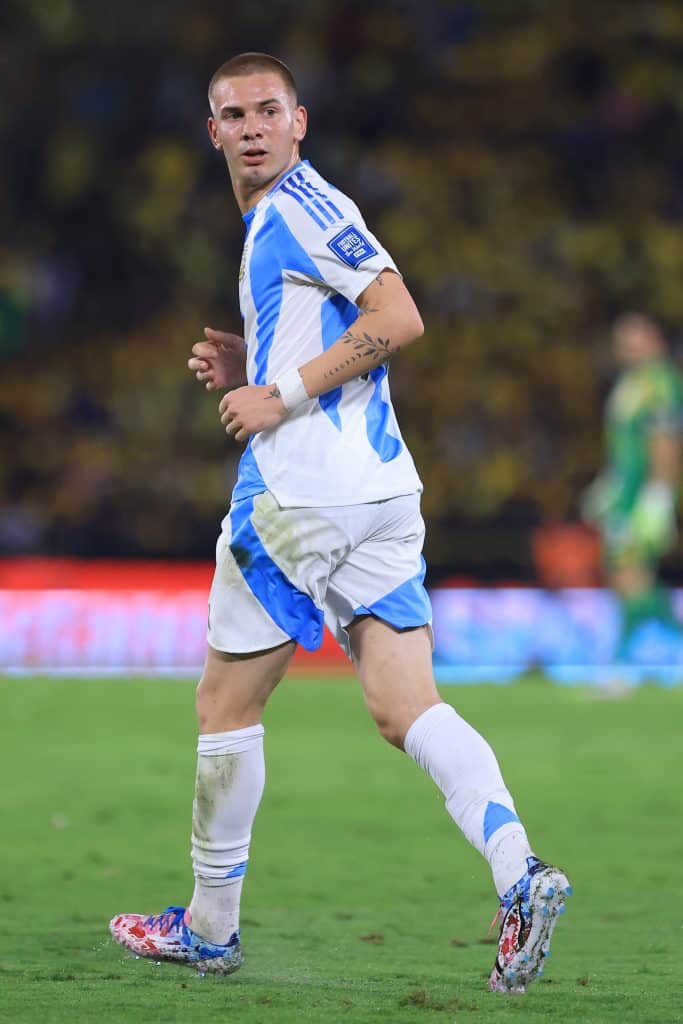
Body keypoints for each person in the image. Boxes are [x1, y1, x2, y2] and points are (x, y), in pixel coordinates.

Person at [109, 52, 570, 994]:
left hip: (298, 501)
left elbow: (398, 318)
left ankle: (207, 928)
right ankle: (521, 873)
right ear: (213, 131)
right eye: (232, 115)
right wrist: (256, 353)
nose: (249, 128)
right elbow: (345, 332)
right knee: (407, 709)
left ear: (299, 121)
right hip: (383, 497)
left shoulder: (298, 209)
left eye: (266, 111)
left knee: (224, 707)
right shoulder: (296, 215)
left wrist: (274, 390)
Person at [582, 313, 683, 683]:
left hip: (643, 496)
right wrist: (608, 484)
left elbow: (666, 441)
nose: (627, 345)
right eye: (622, 338)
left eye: (635, 337)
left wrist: (658, 495)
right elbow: (624, 445)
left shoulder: (660, 383)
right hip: (625, 495)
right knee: (625, 576)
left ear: (655, 339)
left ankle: (621, 667)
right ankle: (625, 665)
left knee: (630, 575)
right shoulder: (630, 383)